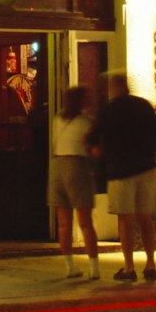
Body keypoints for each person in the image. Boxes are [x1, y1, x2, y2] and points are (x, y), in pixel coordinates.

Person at [98, 72, 156, 283]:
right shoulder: (144, 106)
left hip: (121, 171)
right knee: (146, 219)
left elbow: (97, 142)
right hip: (147, 169)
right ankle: (150, 265)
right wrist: (149, 158)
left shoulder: (108, 110)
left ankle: (128, 268)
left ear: (113, 88)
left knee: (125, 221)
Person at [47, 85, 100, 280]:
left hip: (57, 168)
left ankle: (70, 266)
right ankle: (94, 268)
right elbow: (93, 150)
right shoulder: (86, 122)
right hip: (77, 167)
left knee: (63, 223)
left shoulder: (57, 119)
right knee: (85, 222)